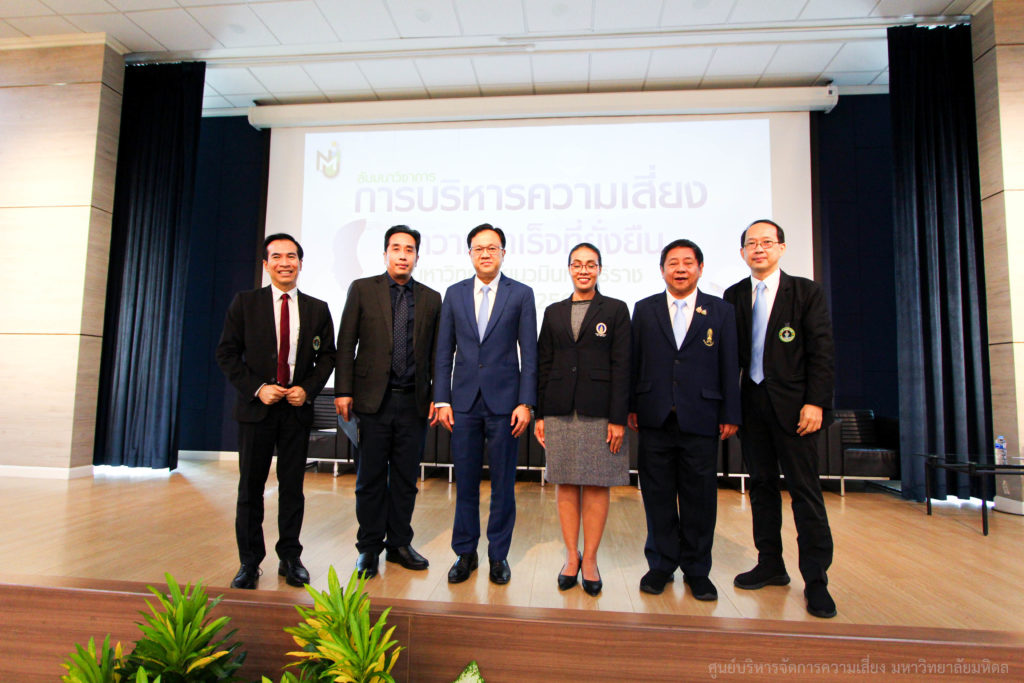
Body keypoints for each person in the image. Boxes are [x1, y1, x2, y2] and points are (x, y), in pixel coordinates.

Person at [723, 219, 837, 619]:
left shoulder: (806, 292)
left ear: (782, 248)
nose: (759, 249)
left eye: (767, 242)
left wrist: (816, 402)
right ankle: (770, 563)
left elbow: (822, 352)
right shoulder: (734, 295)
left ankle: (816, 579)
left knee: (805, 492)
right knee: (761, 487)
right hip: (752, 406)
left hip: (796, 410)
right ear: (742, 252)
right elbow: (729, 357)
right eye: (751, 243)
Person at [216, 233, 336, 589]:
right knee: (250, 489)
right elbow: (226, 353)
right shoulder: (245, 303)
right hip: (257, 410)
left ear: (300, 262)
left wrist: (307, 389)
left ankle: (290, 557)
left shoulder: (317, 308)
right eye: (277, 257)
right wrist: (258, 388)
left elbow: (327, 356)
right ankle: (249, 562)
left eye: (292, 256)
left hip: (296, 411)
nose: (285, 263)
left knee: (292, 488)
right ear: (266, 265)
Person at [628, 239, 740, 599]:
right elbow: (634, 361)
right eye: (673, 263)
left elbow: (729, 364)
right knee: (657, 496)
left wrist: (730, 412)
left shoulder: (721, 311)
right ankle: (661, 565)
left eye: (688, 262)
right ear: (662, 270)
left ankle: (697, 569)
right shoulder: (644, 309)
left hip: (702, 416)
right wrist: (631, 406)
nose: (680, 269)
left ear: (700, 268)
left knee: (700, 498)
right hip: (654, 417)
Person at [335, 225, 442, 579]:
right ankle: (368, 548)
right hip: (371, 403)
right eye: (396, 248)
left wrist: (437, 396)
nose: (402, 255)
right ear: (385, 254)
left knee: (406, 480)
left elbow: (437, 354)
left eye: (409, 250)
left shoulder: (431, 298)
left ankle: (398, 544)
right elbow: (346, 342)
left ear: (417, 257)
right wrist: (343, 391)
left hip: (413, 403)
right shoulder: (362, 289)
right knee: (369, 479)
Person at [434, 223, 538, 585]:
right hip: (463, 403)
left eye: (492, 248)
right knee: (465, 482)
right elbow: (443, 351)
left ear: (503, 254)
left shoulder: (521, 294)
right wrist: (442, 398)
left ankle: (498, 555)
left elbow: (530, 353)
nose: (486, 254)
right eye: (479, 248)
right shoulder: (454, 294)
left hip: (506, 404)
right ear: (470, 254)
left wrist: (526, 402)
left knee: (503, 485)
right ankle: (465, 553)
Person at [534, 242, 630, 597]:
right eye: (577, 264)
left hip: (600, 411)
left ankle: (590, 559)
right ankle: (571, 556)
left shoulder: (616, 309)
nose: (584, 270)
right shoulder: (553, 311)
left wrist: (618, 418)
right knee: (564, 482)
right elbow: (544, 363)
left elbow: (623, 366)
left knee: (597, 484)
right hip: (559, 410)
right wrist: (540, 413)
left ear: (599, 269)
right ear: (569, 269)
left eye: (591, 264)